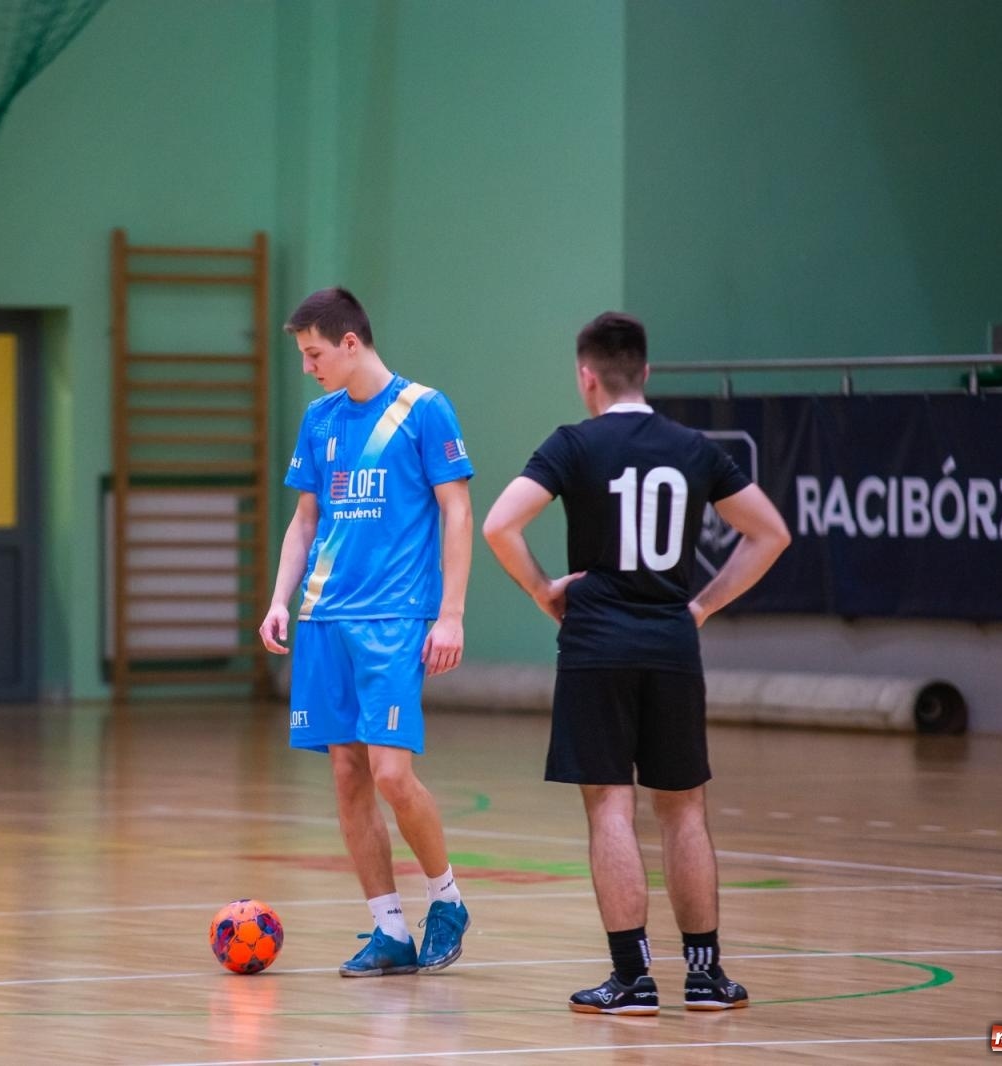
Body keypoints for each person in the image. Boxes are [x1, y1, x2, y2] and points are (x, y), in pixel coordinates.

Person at [482, 311, 790, 1015]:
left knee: (610, 810)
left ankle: (632, 979)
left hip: (596, 644)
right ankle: (707, 975)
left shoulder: (573, 444)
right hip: (671, 645)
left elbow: (501, 523)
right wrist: (703, 606)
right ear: (645, 372)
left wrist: (543, 592)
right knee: (683, 811)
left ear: (585, 376)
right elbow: (770, 533)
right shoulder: (694, 447)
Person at [259, 286, 475, 976]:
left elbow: (459, 512)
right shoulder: (320, 420)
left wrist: (451, 614)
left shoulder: (422, 410)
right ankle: (388, 928)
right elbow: (304, 522)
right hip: (324, 619)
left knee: (390, 774)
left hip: (394, 619)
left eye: (314, 353)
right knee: (348, 774)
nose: (308, 366)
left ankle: (447, 899)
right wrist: (278, 599)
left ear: (350, 343)